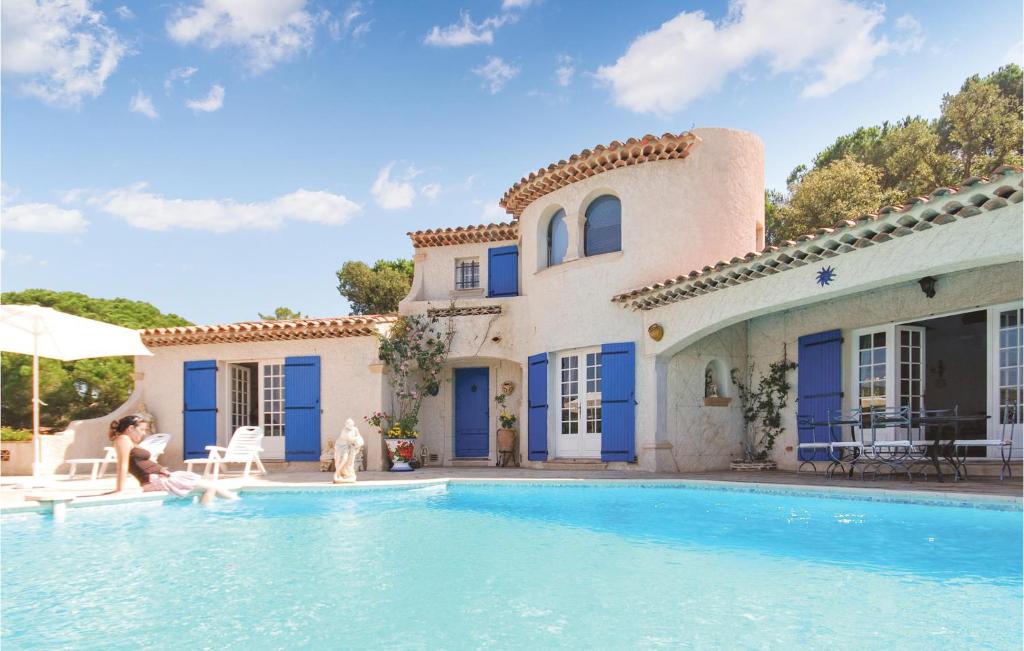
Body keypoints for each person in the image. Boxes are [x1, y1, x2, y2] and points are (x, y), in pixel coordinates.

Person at [108, 415, 237, 504]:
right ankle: (206, 515)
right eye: (141, 429)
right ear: (131, 428)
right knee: (210, 488)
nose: (144, 433)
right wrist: (119, 490)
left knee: (213, 486)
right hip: (155, 480)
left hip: (162, 477)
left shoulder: (129, 441)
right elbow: (123, 465)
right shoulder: (123, 439)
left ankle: (234, 503)